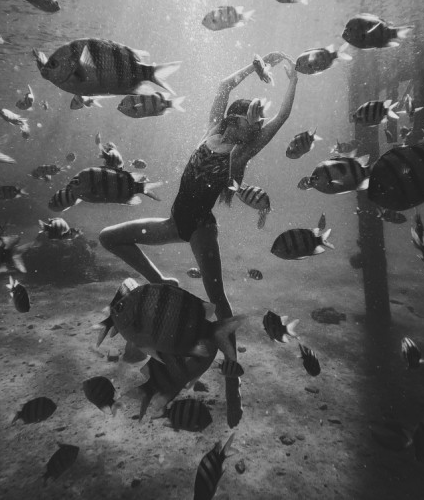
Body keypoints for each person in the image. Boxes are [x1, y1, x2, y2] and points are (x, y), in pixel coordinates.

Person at [99, 51, 297, 427]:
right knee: (110, 238)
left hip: (201, 230)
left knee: (220, 303)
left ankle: (232, 381)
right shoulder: (212, 129)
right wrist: (256, 66)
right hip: (174, 222)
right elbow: (224, 85)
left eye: (256, 122)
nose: (256, 126)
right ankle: (162, 282)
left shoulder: (243, 152)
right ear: (233, 119)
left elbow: (282, 117)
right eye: (251, 119)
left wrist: (293, 81)